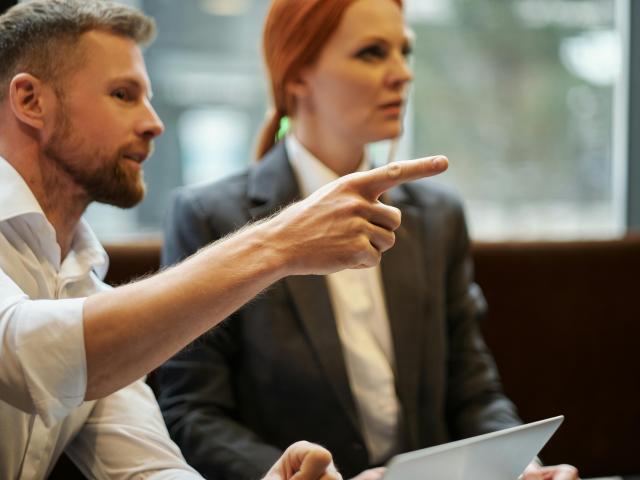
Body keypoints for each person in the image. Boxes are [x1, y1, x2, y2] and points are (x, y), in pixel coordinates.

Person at [0, 0, 448, 478]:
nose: (154, 123)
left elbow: (149, 469)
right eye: (123, 94)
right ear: (31, 101)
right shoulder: (98, 307)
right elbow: (32, 353)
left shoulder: (84, 283)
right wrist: (280, 243)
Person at [157, 1, 579, 480]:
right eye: (372, 53)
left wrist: (521, 465)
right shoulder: (213, 219)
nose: (402, 74)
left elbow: (473, 391)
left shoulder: (437, 217)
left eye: (405, 51)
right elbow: (191, 413)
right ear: (297, 73)